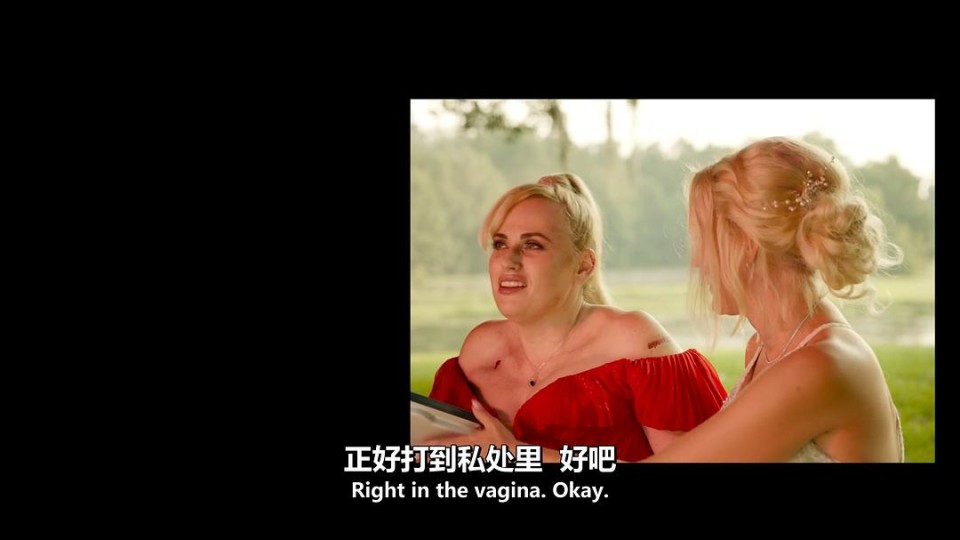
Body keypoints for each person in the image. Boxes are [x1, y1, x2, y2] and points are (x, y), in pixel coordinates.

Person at [426, 173, 727, 462]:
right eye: (500, 244)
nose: (508, 260)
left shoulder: (633, 341)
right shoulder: (479, 349)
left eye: (532, 245)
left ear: (584, 265)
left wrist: (520, 455)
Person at [645, 137, 904, 462]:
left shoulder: (818, 366)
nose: (697, 262)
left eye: (705, 240)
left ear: (746, 243)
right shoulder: (765, 349)